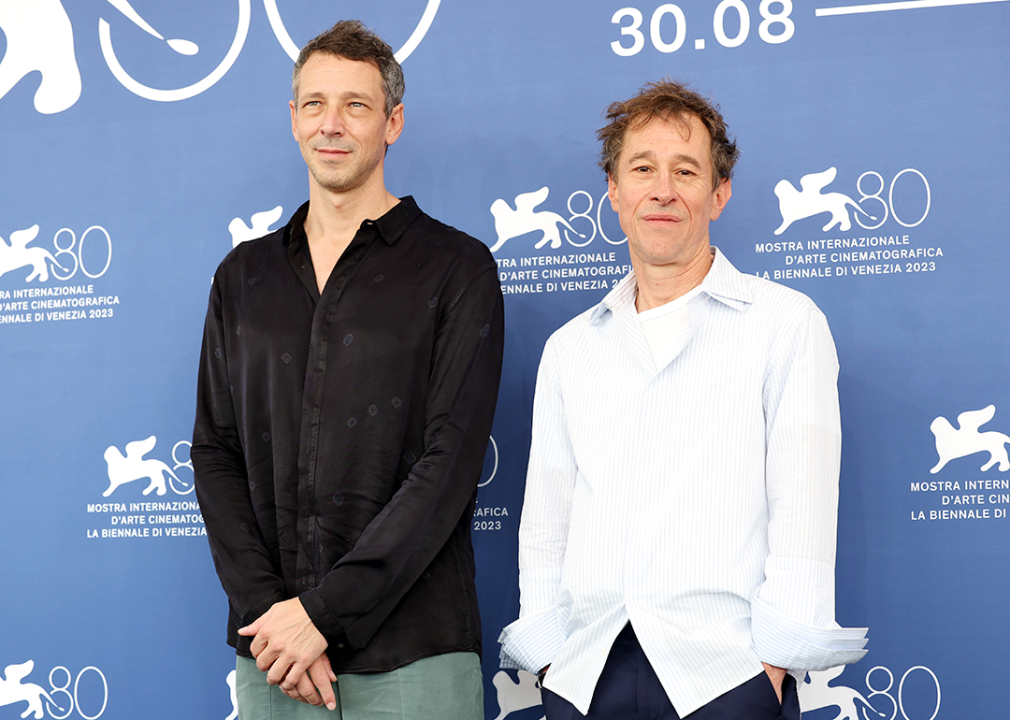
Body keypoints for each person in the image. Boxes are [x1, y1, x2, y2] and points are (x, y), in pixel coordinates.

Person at [498, 79, 867, 720]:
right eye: (642, 168)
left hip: (725, 677)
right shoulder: (570, 348)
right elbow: (547, 520)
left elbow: (803, 505)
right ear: (614, 191)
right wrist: (549, 653)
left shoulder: (784, 323)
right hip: (584, 677)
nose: (662, 189)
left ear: (717, 194)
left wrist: (771, 666)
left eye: (685, 170)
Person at [192, 20, 504, 720]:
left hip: (413, 657)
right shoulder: (242, 276)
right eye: (314, 104)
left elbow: (447, 466)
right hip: (271, 658)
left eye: (356, 106)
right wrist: (273, 613)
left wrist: (321, 616)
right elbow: (215, 452)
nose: (332, 124)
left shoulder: (457, 269)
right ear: (294, 119)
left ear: (392, 122)